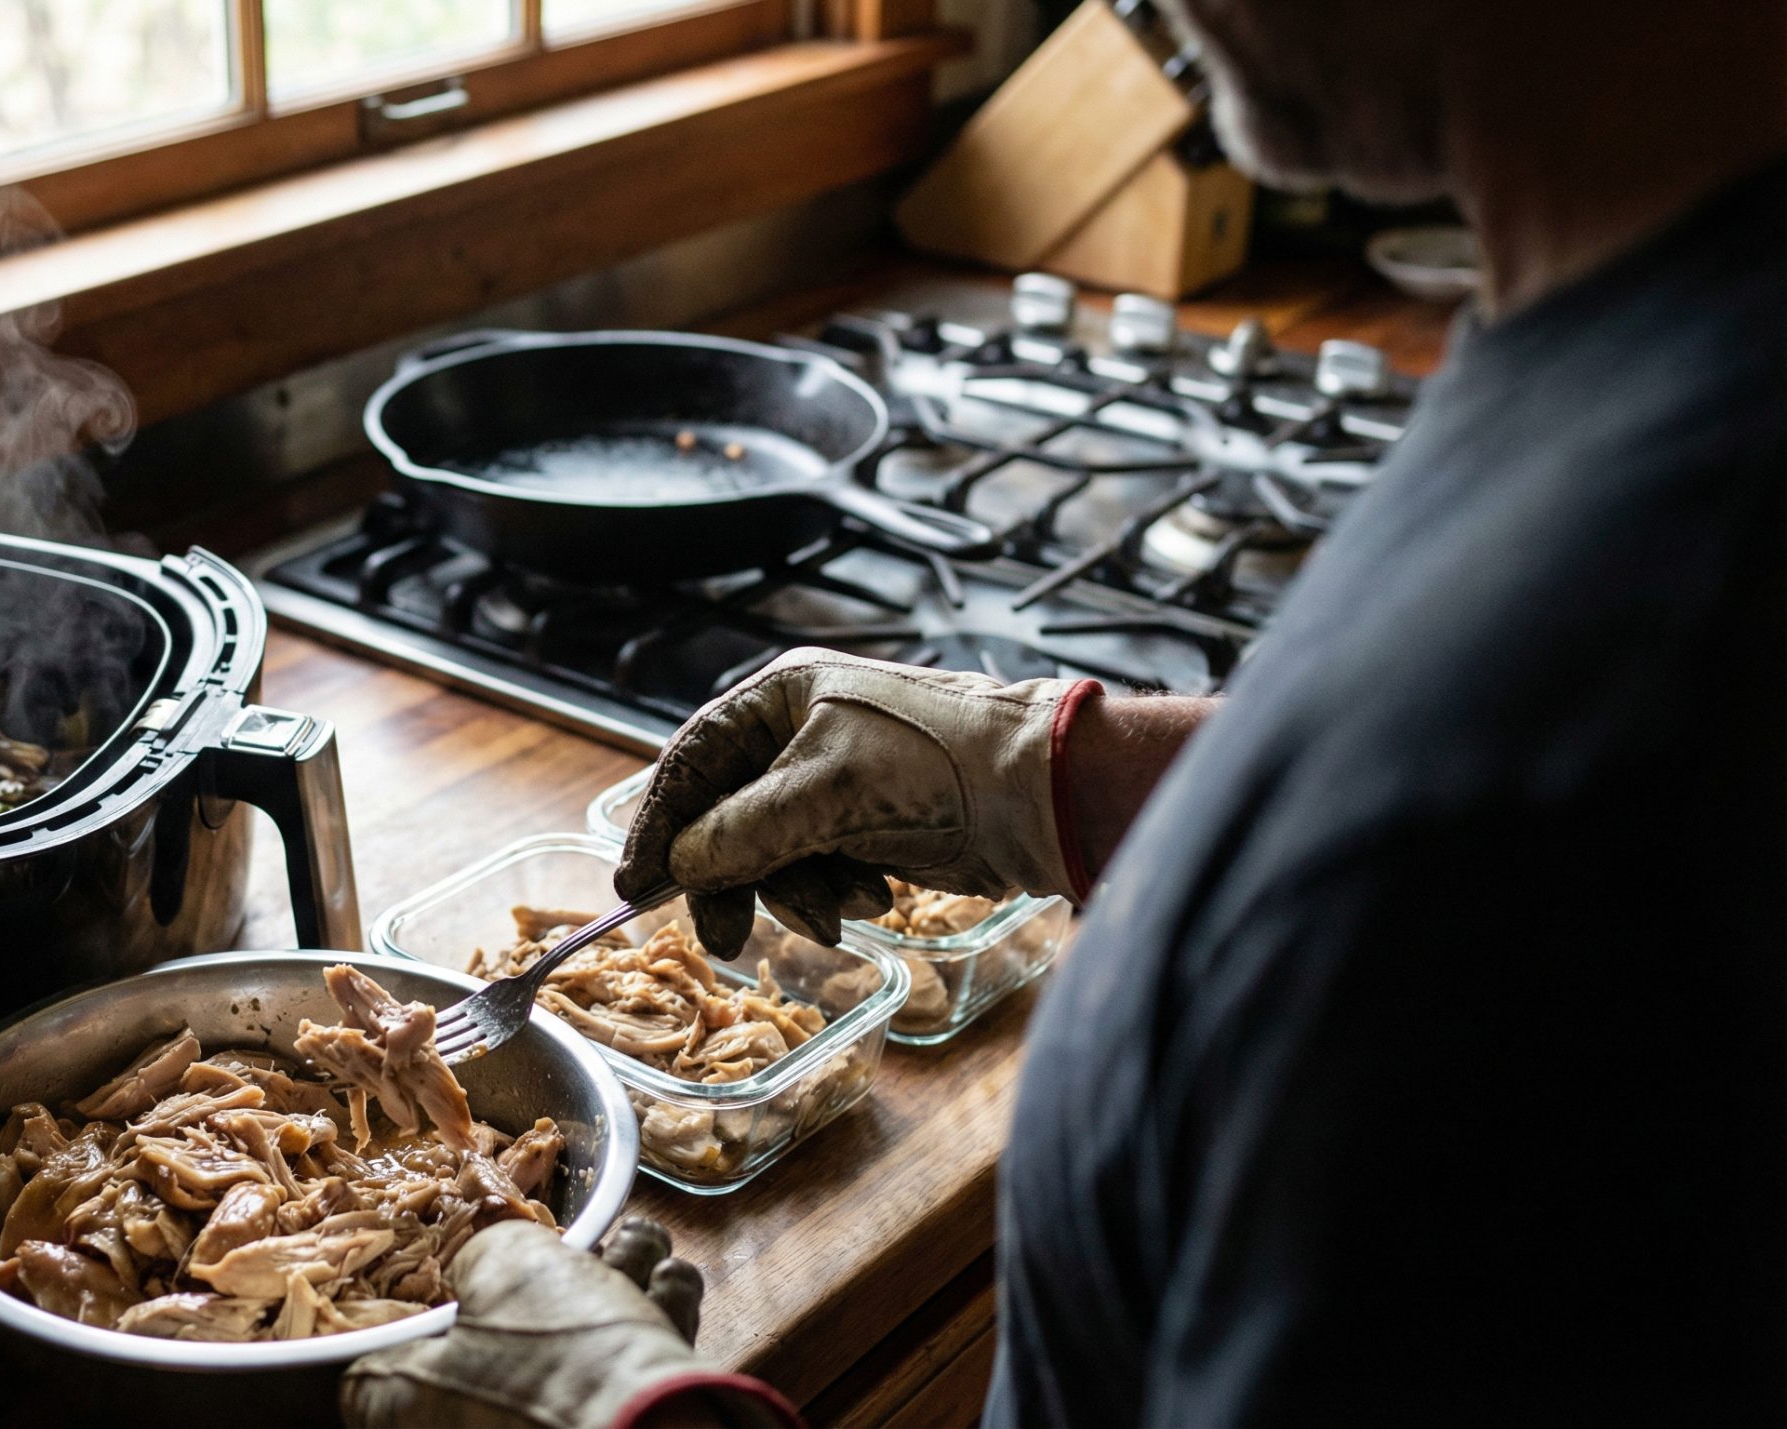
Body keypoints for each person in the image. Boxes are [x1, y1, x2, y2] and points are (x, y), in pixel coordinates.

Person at [350, 0, 1787, 1423]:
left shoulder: (1493, 831)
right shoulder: (1656, 339)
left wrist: (644, 1422)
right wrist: (1069, 774)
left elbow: (1487, 863)